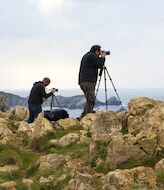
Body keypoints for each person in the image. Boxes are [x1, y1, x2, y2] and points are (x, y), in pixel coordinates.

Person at [78, 45, 107, 119]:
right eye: (100, 51)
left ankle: (84, 116)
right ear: (97, 51)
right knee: (91, 99)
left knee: (89, 99)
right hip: (88, 82)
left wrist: (101, 57)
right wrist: (103, 57)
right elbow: (100, 64)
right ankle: (88, 116)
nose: (100, 53)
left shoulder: (87, 55)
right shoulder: (92, 56)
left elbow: (97, 64)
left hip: (83, 81)